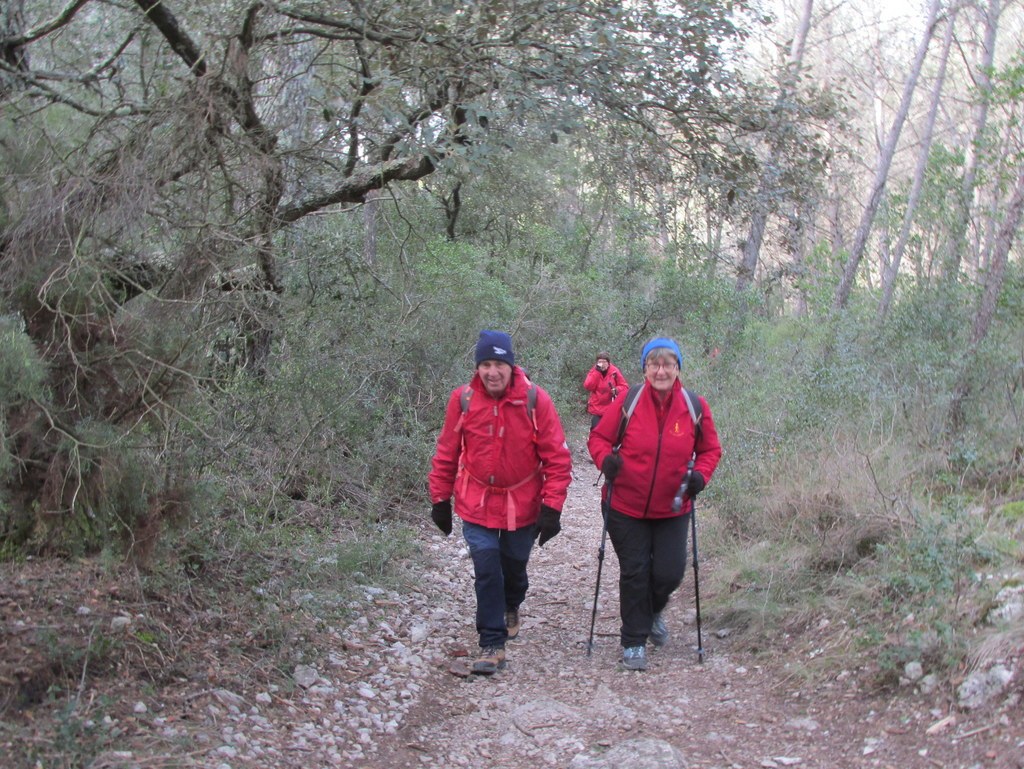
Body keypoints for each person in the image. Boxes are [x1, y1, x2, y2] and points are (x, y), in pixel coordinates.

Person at [429, 330, 573, 674]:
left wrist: (551, 507)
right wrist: (439, 498)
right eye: (486, 364)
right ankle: (492, 643)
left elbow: (556, 458)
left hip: (522, 502)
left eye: (499, 364)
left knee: (514, 565)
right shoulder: (462, 399)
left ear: (511, 366)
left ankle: (512, 603)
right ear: (478, 367)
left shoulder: (536, 400)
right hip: (474, 500)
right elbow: (447, 452)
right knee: (486, 568)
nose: (492, 372)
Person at [587, 336, 721, 671]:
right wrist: (606, 461)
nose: (661, 371)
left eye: (668, 364)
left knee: (670, 572)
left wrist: (700, 477)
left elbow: (709, 450)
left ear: (678, 369)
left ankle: (652, 610)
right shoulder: (630, 401)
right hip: (624, 506)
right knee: (635, 571)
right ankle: (633, 641)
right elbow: (599, 437)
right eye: (654, 364)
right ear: (645, 368)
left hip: (673, 506)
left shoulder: (694, 406)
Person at [583, 352, 629, 430]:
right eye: (600, 362)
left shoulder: (614, 371)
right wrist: (597, 372)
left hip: (610, 407)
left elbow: (625, 387)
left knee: (609, 430)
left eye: (604, 362)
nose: (602, 364)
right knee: (595, 428)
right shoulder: (594, 371)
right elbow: (588, 386)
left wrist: (616, 390)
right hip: (597, 407)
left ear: (608, 363)